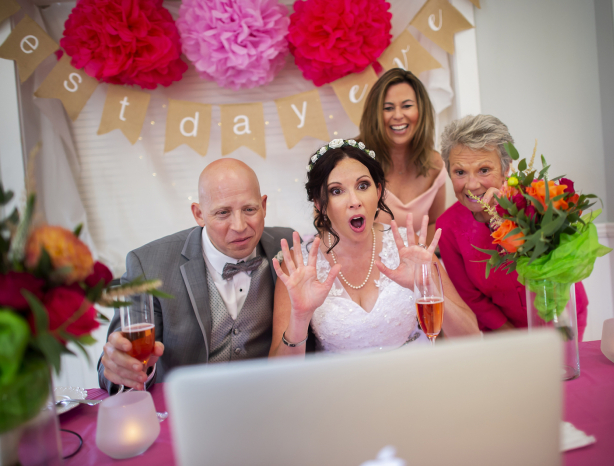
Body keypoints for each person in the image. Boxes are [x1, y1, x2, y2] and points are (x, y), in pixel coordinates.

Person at [269, 139, 480, 357]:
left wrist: (428, 287)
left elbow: (471, 337)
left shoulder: (409, 248)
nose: (355, 200)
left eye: (363, 186)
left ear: (378, 192)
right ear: (319, 203)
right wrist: (300, 318)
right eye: (336, 191)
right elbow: (279, 377)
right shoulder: (298, 266)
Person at [98, 159, 294, 392]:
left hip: (269, 401)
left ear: (263, 206)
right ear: (199, 214)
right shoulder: (148, 265)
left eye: (249, 209)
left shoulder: (288, 246)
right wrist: (125, 368)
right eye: (223, 213)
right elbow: (113, 371)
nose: (240, 226)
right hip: (187, 410)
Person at [435, 115, 588, 338]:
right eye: (460, 172)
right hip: (501, 333)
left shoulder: (539, 201)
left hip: (560, 318)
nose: (472, 185)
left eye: (484, 170)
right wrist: (514, 340)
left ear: (506, 169)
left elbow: (564, 268)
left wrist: (506, 212)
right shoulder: (448, 226)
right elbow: (470, 297)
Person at [359, 68, 447, 245]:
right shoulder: (354, 159)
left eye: (407, 106)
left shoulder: (435, 164)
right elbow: (327, 218)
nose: (398, 115)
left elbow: (433, 222)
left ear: (421, 111)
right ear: (375, 114)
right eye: (388, 108)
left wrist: (423, 261)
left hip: (410, 267)